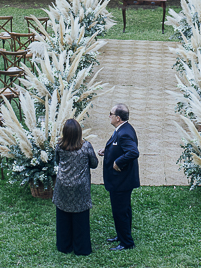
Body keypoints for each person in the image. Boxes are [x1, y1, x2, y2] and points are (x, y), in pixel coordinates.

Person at [54, 119, 99, 256]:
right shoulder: (86, 147)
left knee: (63, 216)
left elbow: (57, 161)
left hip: (63, 186)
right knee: (81, 219)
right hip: (80, 187)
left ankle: (64, 245)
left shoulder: (59, 146)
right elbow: (94, 163)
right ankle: (81, 248)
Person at [98, 103, 139, 251]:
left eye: (111, 113)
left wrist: (118, 161)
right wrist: (107, 151)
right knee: (123, 210)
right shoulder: (122, 129)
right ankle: (121, 235)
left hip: (121, 181)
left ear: (118, 118)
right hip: (121, 181)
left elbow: (133, 152)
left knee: (121, 211)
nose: (109, 116)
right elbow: (119, 146)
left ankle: (126, 243)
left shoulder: (125, 132)